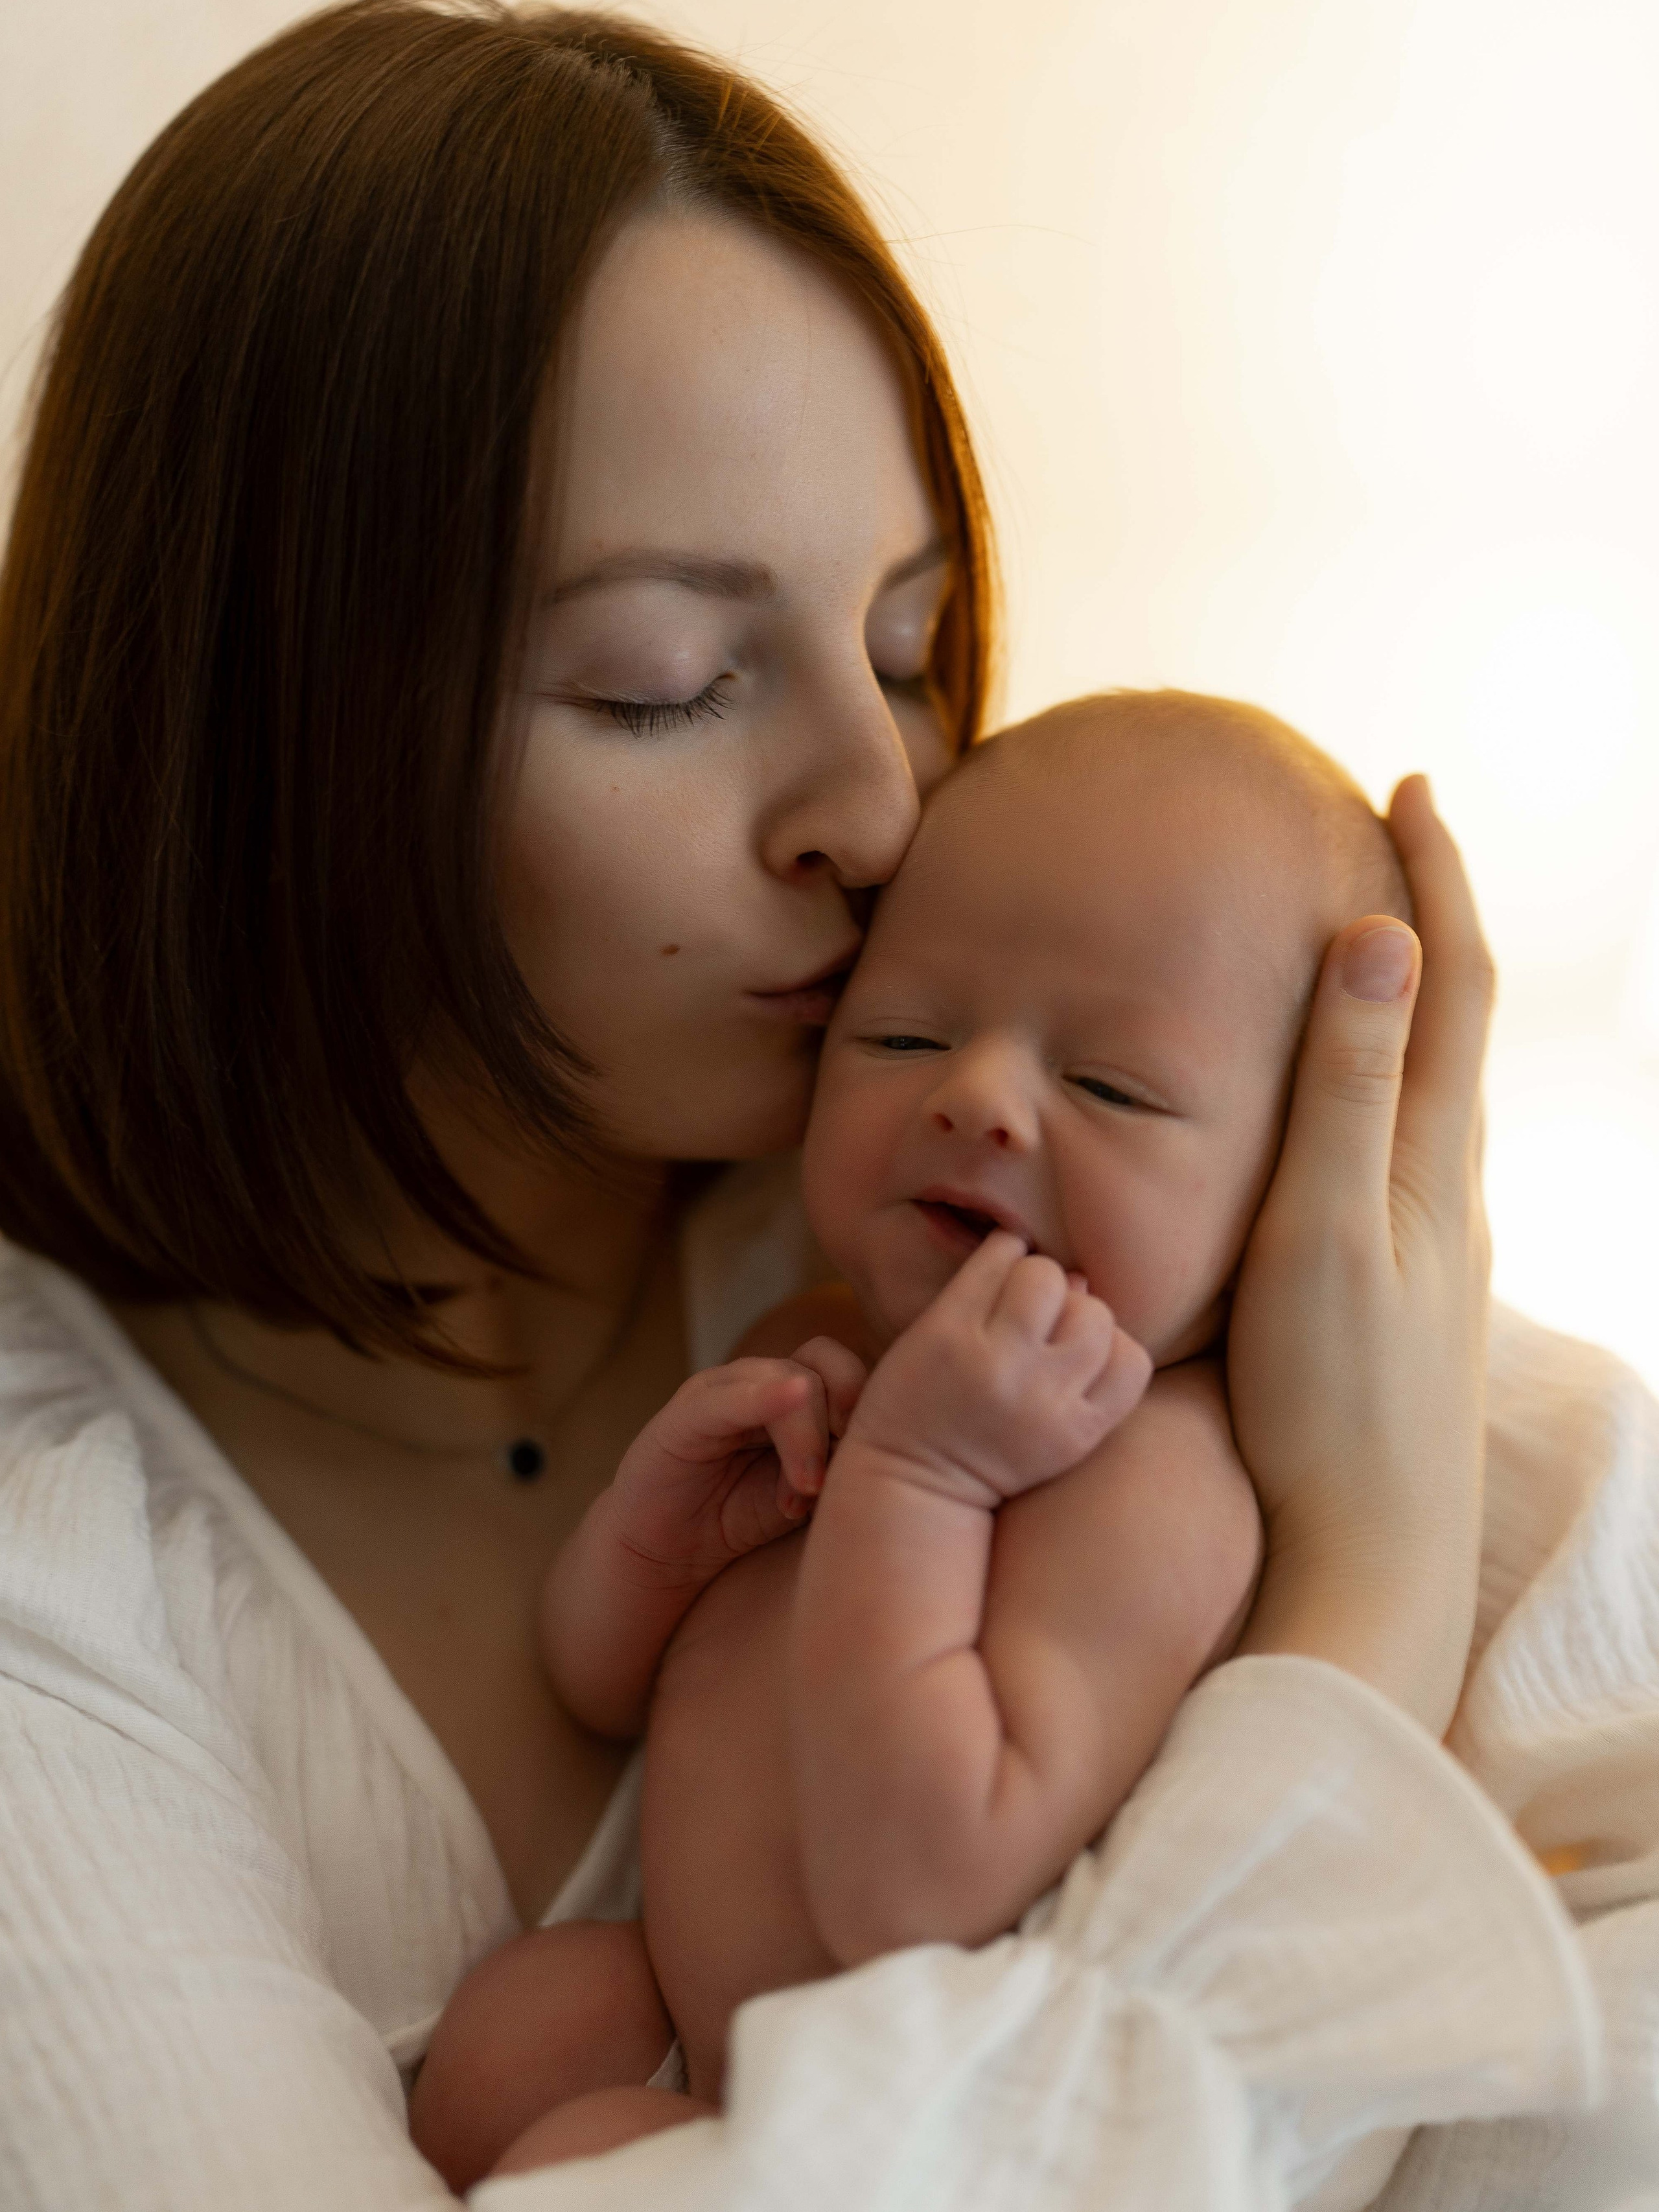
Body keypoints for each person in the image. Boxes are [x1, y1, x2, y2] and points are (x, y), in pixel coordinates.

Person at [0, 6, 1652, 2209]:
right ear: (265, 733)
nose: (883, 812)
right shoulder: (60, 1565)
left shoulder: (985, 1224)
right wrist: (1361, 1600)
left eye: (907, 642)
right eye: (669, 683)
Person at [410, 691, 1421, 2187]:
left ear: (1290, 1189)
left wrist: (923, 1480)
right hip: (694, 2023)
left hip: (900, 2120)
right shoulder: (803, 1344)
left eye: (1108, 1087)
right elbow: (600, 1681)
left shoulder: (1149, 1477)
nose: (975, 1097)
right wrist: (652, 1537)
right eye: (903, 1031)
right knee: (508, 2043)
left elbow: (916, 1883)